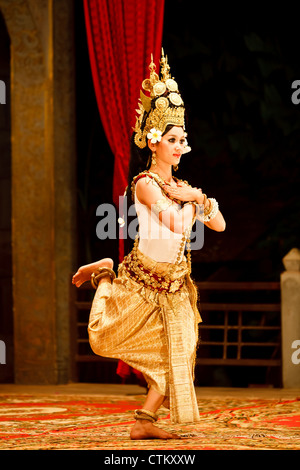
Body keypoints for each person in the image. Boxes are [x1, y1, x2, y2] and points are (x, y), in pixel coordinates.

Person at [72, 51, 226, 440]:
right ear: (154, 142)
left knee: (182, 349)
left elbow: (220, 225)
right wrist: (194, 199)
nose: (179, 146)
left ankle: (144, 422)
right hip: (142, 282)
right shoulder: (145, 183)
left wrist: (194, 195)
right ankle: (107, 272)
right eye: (172, 139)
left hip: (174, 285)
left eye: (182, 139)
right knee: (103, 336)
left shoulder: (181, 186)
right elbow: (176, 225)